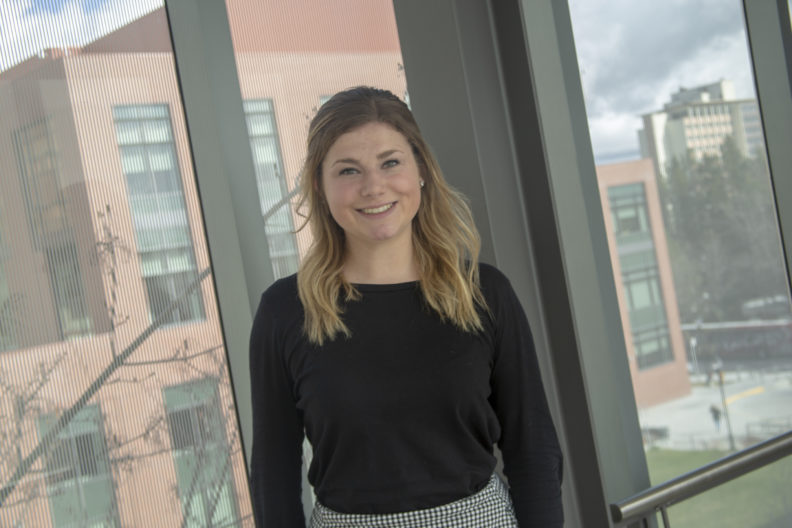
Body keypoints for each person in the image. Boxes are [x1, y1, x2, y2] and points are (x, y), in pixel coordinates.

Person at [249, 86, 563, 527]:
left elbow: (534, 448)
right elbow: (273, 474)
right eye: (348, 170)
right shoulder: (285, 311)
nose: (373, 186)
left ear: (420, 172)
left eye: (390, 162)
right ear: (320, 188)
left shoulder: (484, 293)